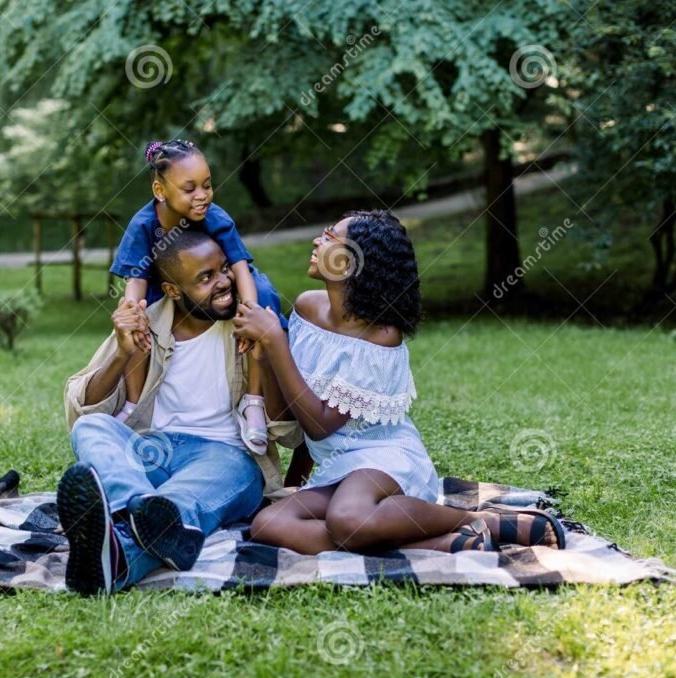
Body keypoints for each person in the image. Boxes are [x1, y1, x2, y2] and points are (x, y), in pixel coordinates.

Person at [232, 210, 567, 555]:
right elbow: (289, 411)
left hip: (382, 461)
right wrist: (264, 359)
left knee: (347, 519)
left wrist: (276, 341)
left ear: (352, 263)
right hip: (338, 470)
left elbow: (319, 425)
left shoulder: (380, 336)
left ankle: (478, 520)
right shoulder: (306, 308)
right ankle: (442, 543)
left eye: (330, 237)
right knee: (269, 524)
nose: (317, 241)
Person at [60, 229, 301, 595]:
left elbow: (289, 432)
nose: (223, 283)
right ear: (173, 290)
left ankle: (122, 527)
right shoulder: (148, 322)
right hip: (152, 454)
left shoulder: (250, 323)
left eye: (224, 269)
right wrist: (122, 353)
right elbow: (83, 406)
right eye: (206, 278)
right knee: (92, 427)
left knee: (182, 500)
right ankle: (135, 520)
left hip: (228, 460)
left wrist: (267, 356)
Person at [110, 138, 286, 454]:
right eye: (189, 189)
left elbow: (240, 268)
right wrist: (133, 313)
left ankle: (254, 402)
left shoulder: (215, 217)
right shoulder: (144, 225)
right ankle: (135, 405)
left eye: (207, 185)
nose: (202, 195)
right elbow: (135, 279)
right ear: (160, 191)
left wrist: (248, 312)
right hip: (164, 286)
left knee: (260, 300)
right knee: (137, 321)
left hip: (223, 280)